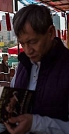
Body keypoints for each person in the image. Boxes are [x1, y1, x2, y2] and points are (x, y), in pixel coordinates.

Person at [6, 4, 69, 134]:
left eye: (33, 42)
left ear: (50, 33)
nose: (28, 50)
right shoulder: (23, 64)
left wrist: (35, 124)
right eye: (22, 43)